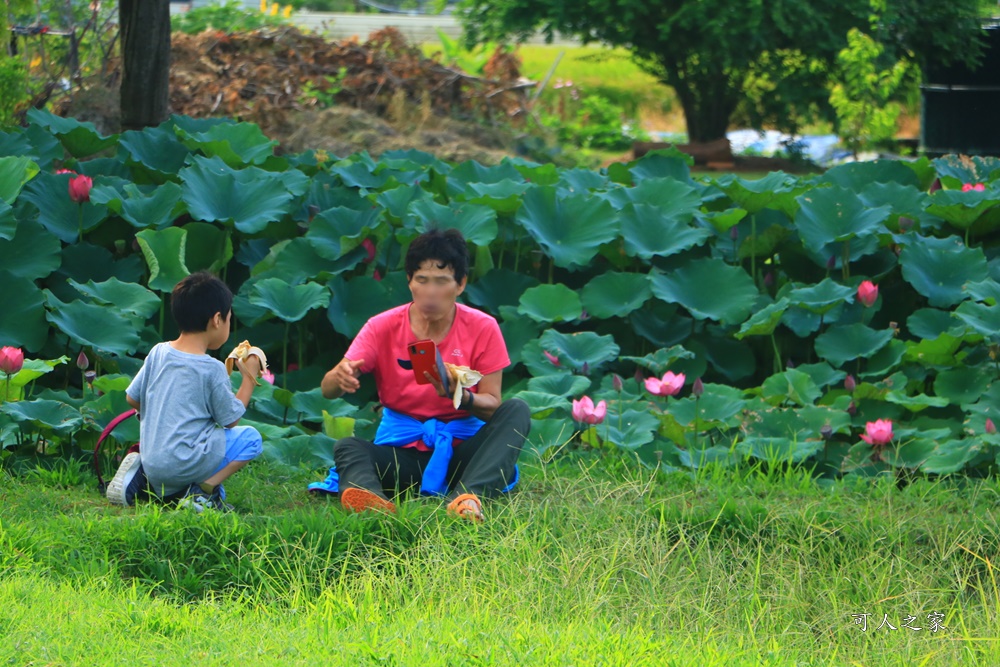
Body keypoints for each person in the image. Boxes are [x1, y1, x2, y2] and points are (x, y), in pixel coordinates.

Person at [312, 228, 530, 522]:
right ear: (409, 282)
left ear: (460, 284)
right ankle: (370, 499)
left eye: (441, 282)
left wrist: (461, 397)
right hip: (402, 451)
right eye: (422, 280)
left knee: (517, 410)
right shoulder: (382, 326)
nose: (430, 292)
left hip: (461, 454)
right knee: (348, 447)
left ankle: (467, 498)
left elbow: (493, 405)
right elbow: (327, 390)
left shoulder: (483, 327)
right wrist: (338, 378)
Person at [106, 271, 264, 512]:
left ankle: (143, 480)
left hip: (154, 464)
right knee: (251, 438)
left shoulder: (158, 352)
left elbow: (132, 398)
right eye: (230, 319)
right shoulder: (211, 368)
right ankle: (201, 492)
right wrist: (249, 378)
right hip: (185, 464)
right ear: (217, 319)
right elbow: (231, 420)